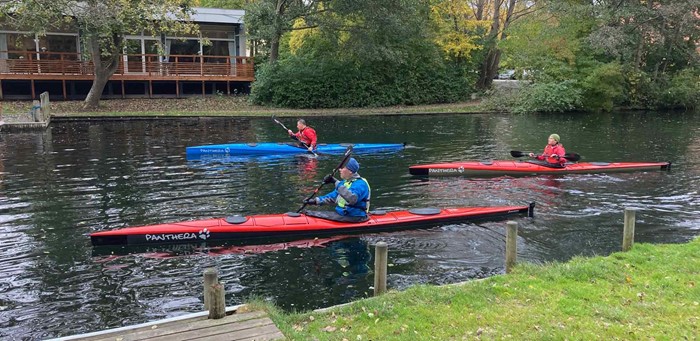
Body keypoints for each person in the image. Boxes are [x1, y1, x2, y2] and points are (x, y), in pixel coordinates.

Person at [302, 157, 371, 222]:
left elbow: (352, 198)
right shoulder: (345, 183)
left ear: (350, 171)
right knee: (314, 213)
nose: (340, 170)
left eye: (342, 168)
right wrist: (315, 201)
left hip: (355, 217)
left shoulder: (360, 184)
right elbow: (333, 197)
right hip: (343, 214)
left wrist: (335, 182)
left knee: (317, 215)